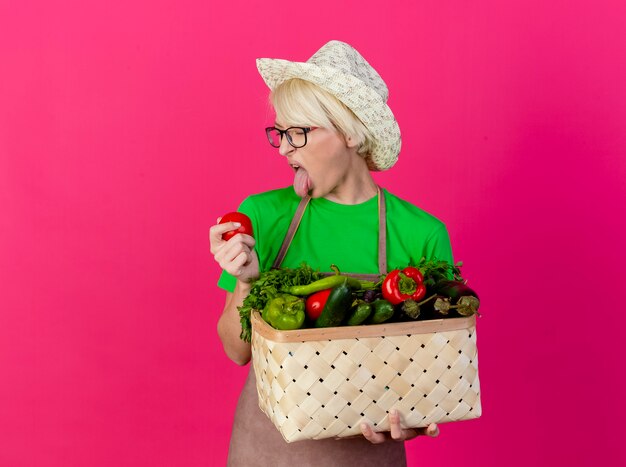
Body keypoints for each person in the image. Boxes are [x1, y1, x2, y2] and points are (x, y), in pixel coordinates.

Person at [210, 40, 453, 466]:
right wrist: (247, 279)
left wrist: (417, 417)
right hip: (267, 452)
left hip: (368, 454)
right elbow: (236, 351)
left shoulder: (421, 234)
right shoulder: (261, 216)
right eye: (279, 133)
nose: (284, 148)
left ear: (349, 134)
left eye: (299, 132)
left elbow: (430, 373)